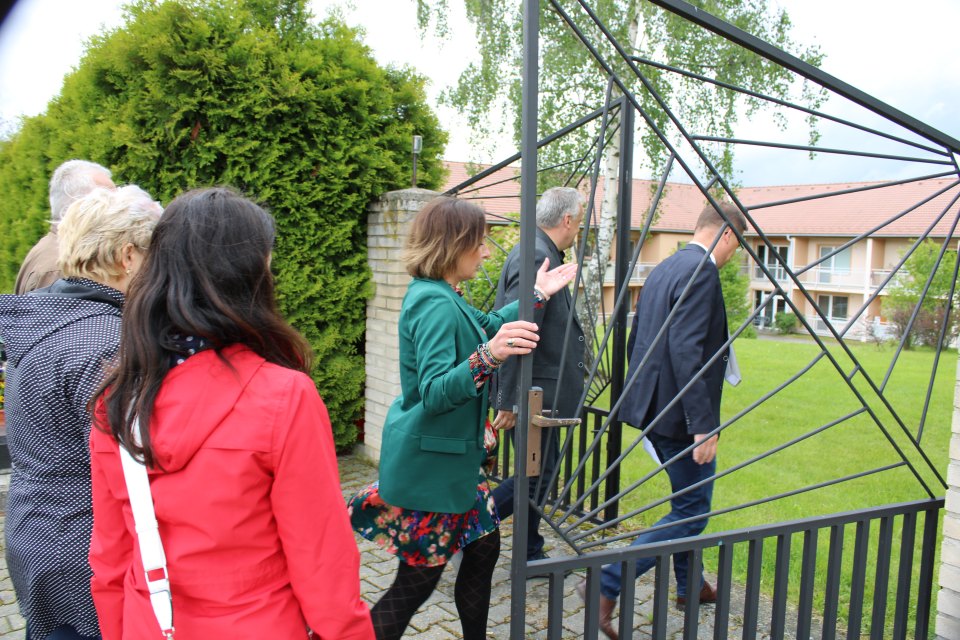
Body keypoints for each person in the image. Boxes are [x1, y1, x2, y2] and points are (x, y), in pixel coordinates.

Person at [88, 187, 374, 640]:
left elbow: (110, 557)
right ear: (250, 276)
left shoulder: (119, 398)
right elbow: (322, 563)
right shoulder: (283, 396)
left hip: (150, 623)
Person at [348, 196, 577, 640]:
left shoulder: (443, 295)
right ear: (454, 245)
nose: (487, 252)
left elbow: (489, 322)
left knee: (483, 551)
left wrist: (535, 295)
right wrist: (489, 356)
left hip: (456, 466)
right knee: (413, 587)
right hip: (434, 471)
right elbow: (434, 393)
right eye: (480, 242)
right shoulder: (433, 303)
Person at [0, 186, 161, 640]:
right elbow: (136, 463)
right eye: (155, 255)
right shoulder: (106, 343)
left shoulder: (47, 317)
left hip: (36, 528)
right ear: (128, 256)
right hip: (82, 545)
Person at [590, 202, 746, 640]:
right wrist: (703, 424)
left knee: (686, 499)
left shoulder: (664, 268)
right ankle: (607, 582)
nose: (733, 255)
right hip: (679, 417)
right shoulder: (702, 272)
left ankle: (690, 586)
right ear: (727, 234)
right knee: (691, 511)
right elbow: (686, 350)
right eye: (737, 245)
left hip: (654, 408)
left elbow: (636, 340)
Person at [490, 186, 586, 565]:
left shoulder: (540, 249)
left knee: (535, 475)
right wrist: (510, 399)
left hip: (538, 392)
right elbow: (516, 328)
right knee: (534, 477)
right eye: (580, 221)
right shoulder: (535, 254)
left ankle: (529, 550)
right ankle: (466, 529)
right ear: (567, 220)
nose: (579, 229)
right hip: (532, 394)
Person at [14, 159, 116, 294]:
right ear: (79, 205)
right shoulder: (59, 268)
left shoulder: (59, 252)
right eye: (108, 199)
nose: (117, 207)